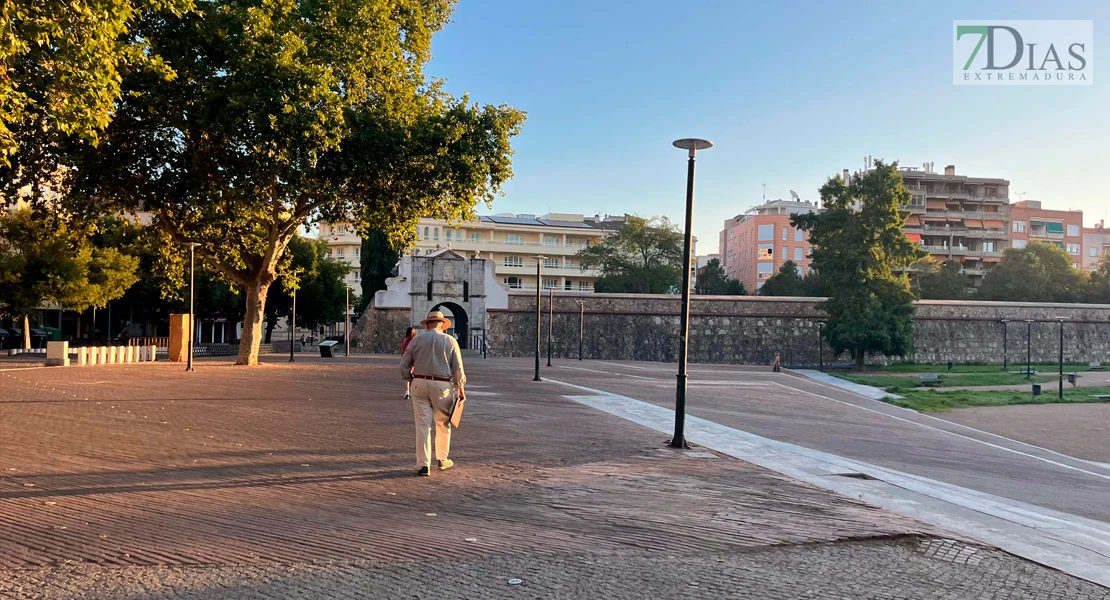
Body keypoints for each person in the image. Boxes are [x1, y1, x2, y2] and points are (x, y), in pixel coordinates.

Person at [400, 311, 466, 476]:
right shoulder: (450, 340)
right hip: (442, 384)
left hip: (419, 383)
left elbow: (404, 363)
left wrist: (409, 378)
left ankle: (423, 464)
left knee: (422, 425)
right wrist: (459, 387)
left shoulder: (416, 341)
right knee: (442, 423)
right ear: (442, 324)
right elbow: (457, 368)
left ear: (427, 324)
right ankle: (442, 459)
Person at [401, 327, 417, 399]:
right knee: (413, 375)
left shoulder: (404, 340)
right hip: (413, 358)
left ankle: (407, 391)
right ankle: (413, 391)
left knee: (406, 376)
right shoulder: (415, 340)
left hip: (405, 358)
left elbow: (403, 349)